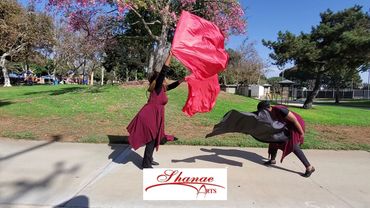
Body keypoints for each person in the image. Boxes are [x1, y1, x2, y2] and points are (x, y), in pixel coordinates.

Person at [127, 51, 185, 169]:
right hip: (149, 116)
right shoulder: (158, 87)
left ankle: (149, 159)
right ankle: (146, 165)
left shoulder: (161, 88)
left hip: (153, 115)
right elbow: (164, 70)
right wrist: (170, 56)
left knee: (153, 138)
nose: (165, 79)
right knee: (152, 139)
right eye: (163, 78)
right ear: (159, 79)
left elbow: (171, 86)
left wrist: (182, 79)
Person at [257, 101, 315, 177]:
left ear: (268, 108)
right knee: (273, 139)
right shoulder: (269, 113)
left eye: (263, 111)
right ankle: (272, 160)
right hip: (285, 124)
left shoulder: (281, 110)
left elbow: (294, 120)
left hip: (296, 125)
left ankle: (309, 167)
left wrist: (301, 133)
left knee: (293, 145)